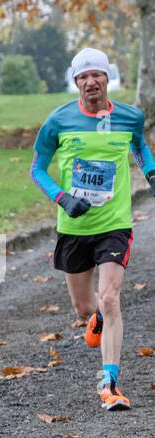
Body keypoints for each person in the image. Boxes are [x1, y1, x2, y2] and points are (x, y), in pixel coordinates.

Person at [30, 46, 154, 411]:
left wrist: (150, 171)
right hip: (74, 225)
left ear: (106, 77)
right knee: (85, 309)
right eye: (82, 76)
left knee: (111, 298)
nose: (90, 82)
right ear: (76, 82)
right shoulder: (58, 121)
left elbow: (140, 148)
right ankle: (95, 318)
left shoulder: (130, 117)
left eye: (96, 74)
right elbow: (36, 168)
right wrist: (62, 198)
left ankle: (110, 384)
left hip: (115, 223)